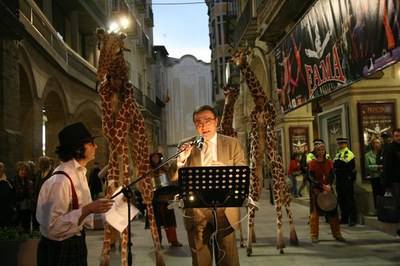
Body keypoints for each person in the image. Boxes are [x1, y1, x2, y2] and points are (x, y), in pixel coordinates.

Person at [170, 105, 246, 266]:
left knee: (229, 260)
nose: (203, 126)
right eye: (198, 122)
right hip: (197, 210)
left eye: (207, 121)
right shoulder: (186, 145)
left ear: (216, 121)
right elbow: (173, 176)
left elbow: (244, 174)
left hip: (225, 209)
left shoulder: (232, 144)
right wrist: (181, 160)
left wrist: (225, 172)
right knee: (200, 260)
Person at [36, 122, 114, 265]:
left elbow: (82, 217)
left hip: (76, 242)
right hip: (61, 248)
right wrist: (89, 208)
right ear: (78, 149)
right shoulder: (61, 181)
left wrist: (104, 208)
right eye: (91, 143)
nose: (95, 146)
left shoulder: (79, 174)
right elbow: (53, 227)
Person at [308, 142, 345, 243]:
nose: (320, 152)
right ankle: (314, 235)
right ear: (316, 151)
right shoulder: (312, 163)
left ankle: (337, 234)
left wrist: (328, 185)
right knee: (314, 214)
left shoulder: (329, 162)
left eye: (322, 150)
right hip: (316, 189)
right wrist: (322, 185)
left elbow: (332, 175)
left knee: (333, 213)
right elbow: (311, 177)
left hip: (328, 189)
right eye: (319, 150)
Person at [149, 152, 182, 248]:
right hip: (154, 197)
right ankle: (157, 243)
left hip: (165, 196)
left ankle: (173, 241)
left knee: (170, 221)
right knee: (156, 222)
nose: (156, 158)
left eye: (157, 157)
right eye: (154, 157)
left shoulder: (165, 166)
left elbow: (172, 176)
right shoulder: (148, 169)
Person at [333, 137, 357, 226]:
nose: (341, 145)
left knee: (349, 199)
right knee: (342, 199)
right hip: (339, 179)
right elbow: (334, 165)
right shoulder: (338, 154)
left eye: (342, 143)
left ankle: (353, 219)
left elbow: (341, 164)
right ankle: (344, 218)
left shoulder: (349, 153)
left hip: (347, 179)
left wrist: (337, 165)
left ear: (346, 144)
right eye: (339, 144)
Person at [382, 128, 400, 237]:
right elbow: (387, 167)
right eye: (396, 136)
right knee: (398, 203)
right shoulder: (390, 149)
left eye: (399, 135)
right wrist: (387, 184)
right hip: (396, 181)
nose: (398, 138)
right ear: (393, 137)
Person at [32, 156, 54, 230]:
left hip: (48, 201)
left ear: (48, 164)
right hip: (39, 200)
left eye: (42, 164)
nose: (40, 166)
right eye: (39, 164)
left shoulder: (53, 173)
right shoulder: (39, 172)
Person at [364, 138, 385, 215]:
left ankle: (385, 208)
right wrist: (378, 167)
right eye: (376, 143)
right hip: (375, 177)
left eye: (379, 143)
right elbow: (367, 166)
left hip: (384, 177)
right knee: (376, 194)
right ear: (372, 145)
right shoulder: (368, 155)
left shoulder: (383, 153)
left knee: (384, 193)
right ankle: (378, 209)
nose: (378, 144)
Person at [13, 161, 35, 232]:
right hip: (17, 209)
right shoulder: (14, 182)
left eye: (25, 170)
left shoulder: (30, 183)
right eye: (22, 170)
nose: (23, 172)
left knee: (26, 228)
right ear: (18, 171)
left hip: (27, 208)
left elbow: (32, 196)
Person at [0, 162, 16, 227]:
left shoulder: (9, 181)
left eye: (1, 167)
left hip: (7, 209)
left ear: (3, 169)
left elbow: (13, 193)